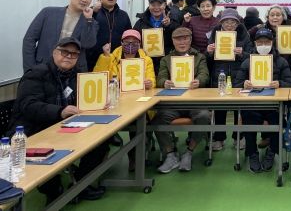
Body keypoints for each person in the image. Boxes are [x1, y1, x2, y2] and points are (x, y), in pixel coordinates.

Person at [9, 37, 108, 204]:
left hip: (63, 126)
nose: (69, 56)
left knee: (101, 140)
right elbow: (28, 105)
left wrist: (99, 100)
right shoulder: (36, 74)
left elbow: (82, 98)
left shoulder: (76, 75)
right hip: (34, 130)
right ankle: (54, 192)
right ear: (54, 52)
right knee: (48, 155)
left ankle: (80, 184)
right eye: (65, 52)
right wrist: (60, 112)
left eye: (74, 54)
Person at [94, 28, 155, 167]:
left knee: (140, 122)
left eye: (135, 42)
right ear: (121, 42)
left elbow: (152, 79)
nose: (130, 44)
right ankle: (100, 158)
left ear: (139, 44)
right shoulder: (111, 57)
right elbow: (99, 76)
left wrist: (150, 83)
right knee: (103, 126)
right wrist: (105, 57)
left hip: (139, 102)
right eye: (127, 42)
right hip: (116, 102)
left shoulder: (146, 59)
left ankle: (136, 158)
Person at [153, 27, 211, 173]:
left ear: (190, 40)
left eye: (185, 38)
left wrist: (199, 81)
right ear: (173, 41)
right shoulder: (166, 59)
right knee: (157, 120)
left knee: (204, 116)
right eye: (178, 39)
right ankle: (170, 154)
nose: (182, 42)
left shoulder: (199, 57)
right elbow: (160, 78)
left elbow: (204, 74)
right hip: (173, 103)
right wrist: (165, 82)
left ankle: (189, 152)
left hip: (194, 102)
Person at [234, 28, 291, 173]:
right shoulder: (248, 62)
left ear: (272, 43)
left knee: (278, 120)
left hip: (274, 106)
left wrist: (280, 84)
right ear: (255, 43)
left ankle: (272, 151)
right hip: (252, 105)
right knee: (248, 120)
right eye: (260, 42)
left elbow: (290, 84)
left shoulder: (281, 61)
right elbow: (236, 85)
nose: (263, 45)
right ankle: (252, 153)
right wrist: (244, 84)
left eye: (267, 42)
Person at [23, 0, 98, 73]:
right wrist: (30, 69)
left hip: (73, 70)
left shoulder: (91, 22)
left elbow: (87, 44)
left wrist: (88, 20)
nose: (85, 0)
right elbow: (29, 39)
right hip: (44, 65)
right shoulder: (48, 12)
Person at [206, 8, 254, 151]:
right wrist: (209, 51)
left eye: (233, 22)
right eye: (226, 22)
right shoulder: (215, 33)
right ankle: (219, 138)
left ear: (238, 23)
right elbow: (207, 57)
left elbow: (251, 55)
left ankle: (238, 137)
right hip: (219, 74)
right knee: (220, 108)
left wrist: (242, 53)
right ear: (221, 22)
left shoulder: (244, 34)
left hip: (238, 74)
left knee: (239, 107)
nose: (229, 25)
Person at [250, 4, 291, 87]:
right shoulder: (261, 30)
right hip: (268, 70)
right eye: (272, 15)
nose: (275, 17)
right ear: (267, 17)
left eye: (278, 15)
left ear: (283, 17)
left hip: (290, 70)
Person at [86, 0, 132, 71]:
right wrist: (93, 12)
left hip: (118, 59)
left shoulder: (123, 15)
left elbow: (129, 35)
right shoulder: (91, 12)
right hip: (94, 59)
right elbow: (85, 32)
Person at [133, 0, 179, 75]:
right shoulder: (141, 22)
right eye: (153, 5)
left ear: (165, 5)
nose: (156, 7)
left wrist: (169, 25)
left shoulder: (173, 19)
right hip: (146, 63)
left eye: (159, 4)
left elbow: (179, 37)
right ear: (149, 5)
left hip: (166, 63)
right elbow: (134, 38)